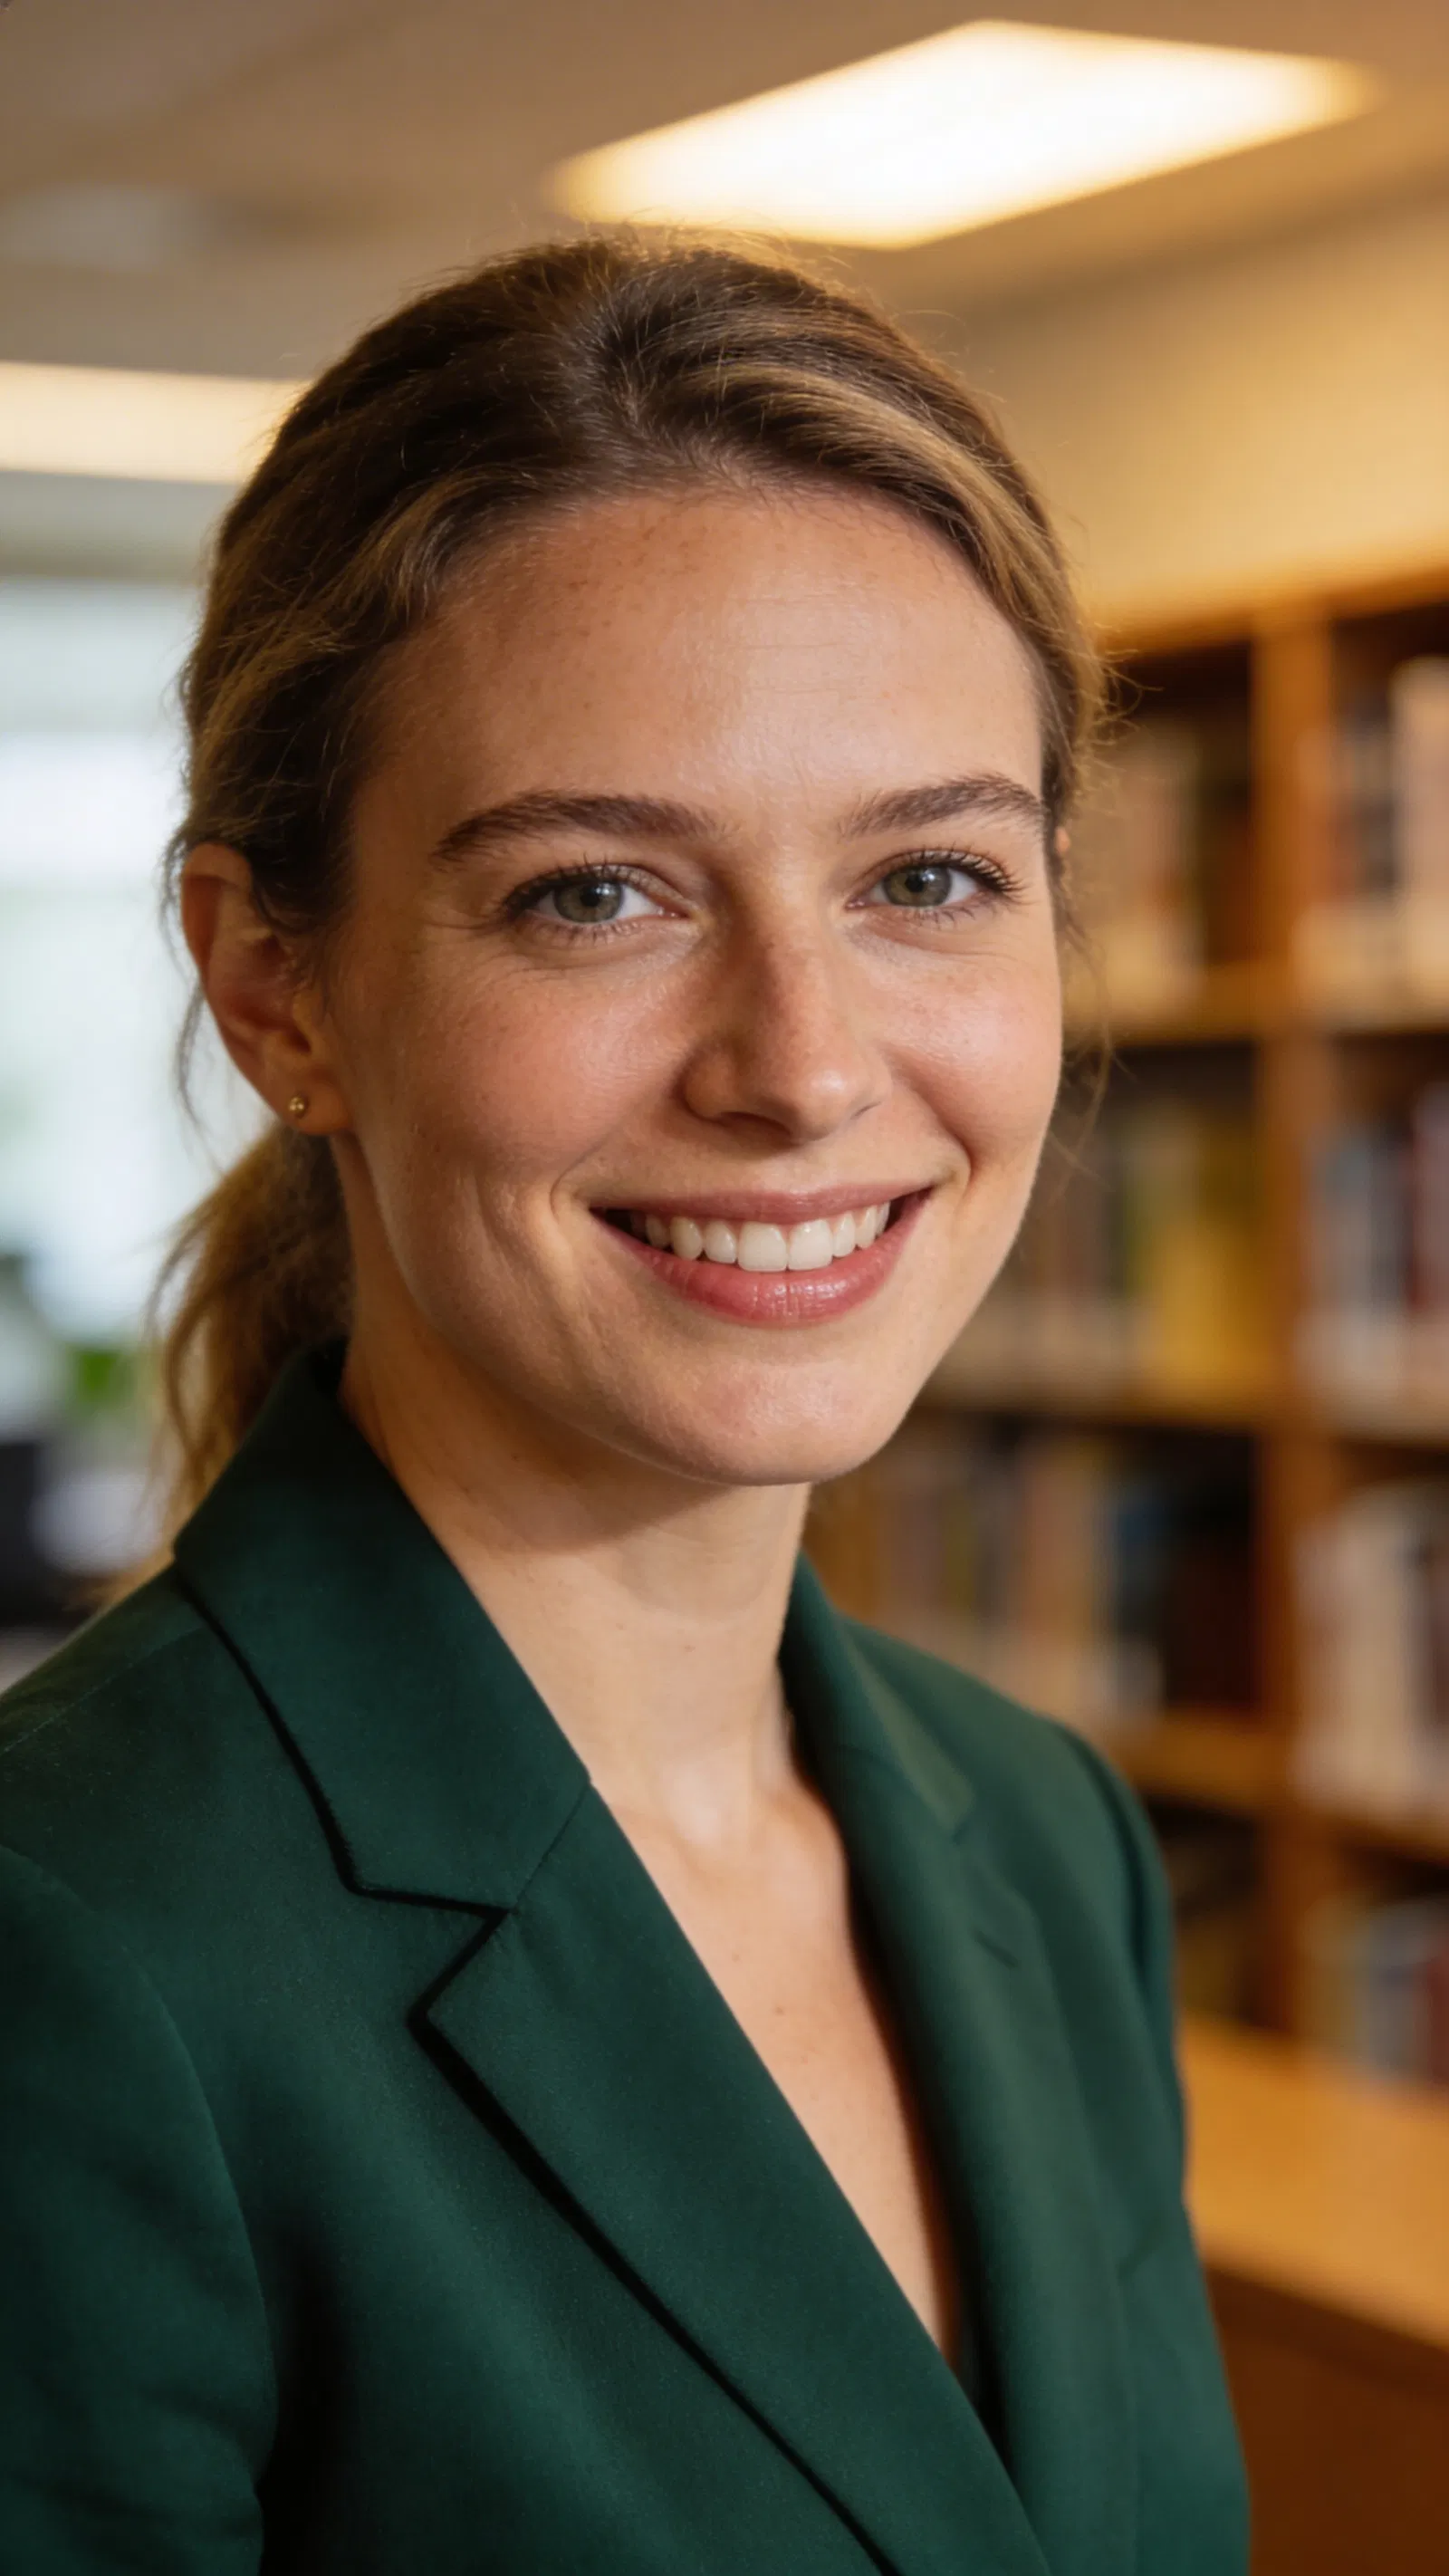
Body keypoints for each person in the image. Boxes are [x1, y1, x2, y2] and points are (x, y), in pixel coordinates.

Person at [0, 235, 1247, 2575]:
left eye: (931, 873)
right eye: (594, 892)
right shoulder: (71, 1954)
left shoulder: (1045, 1839)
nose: (800, 1063)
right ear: (277, 988)